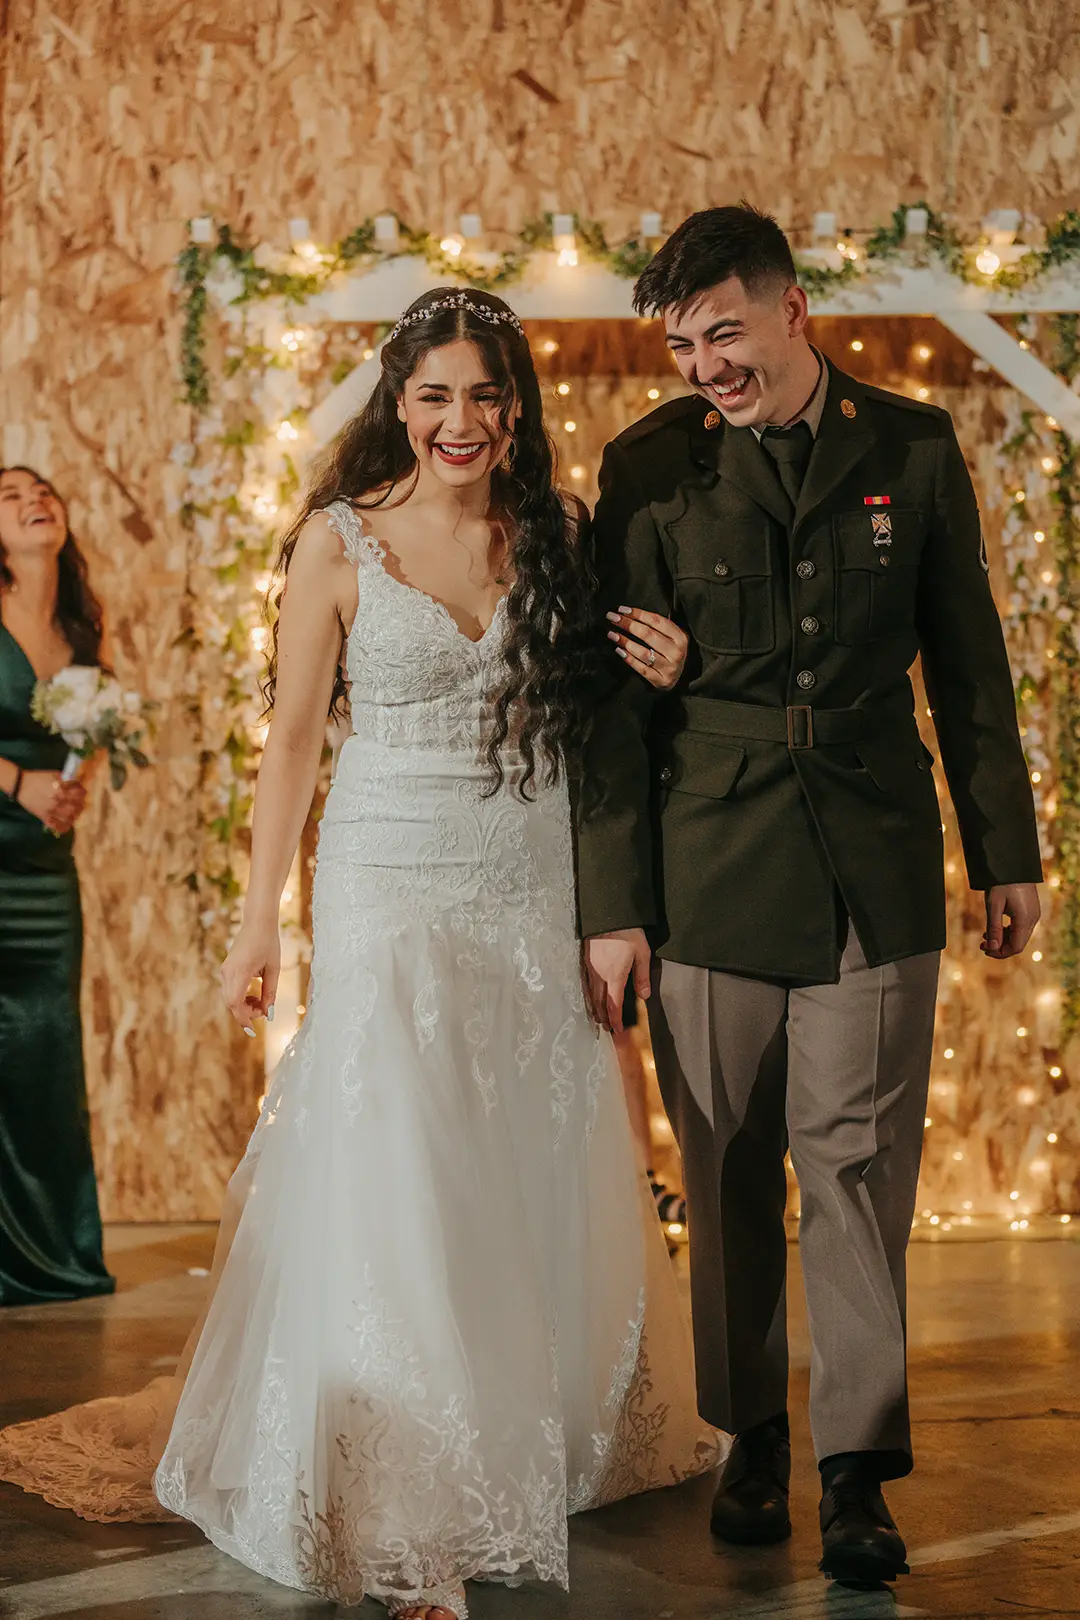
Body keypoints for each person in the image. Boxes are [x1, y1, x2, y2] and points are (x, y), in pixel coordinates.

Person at [0, 291, 719, 1619]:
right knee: (404, 1164)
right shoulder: (336, 542)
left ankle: (524, 1429)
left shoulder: (558, 536)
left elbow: (597, 719)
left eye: (486, 394)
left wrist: (664, 681)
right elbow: (290, 744)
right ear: (400, 402)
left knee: (519, 1150)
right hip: (388, 879)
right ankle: (408, 1505)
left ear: (516, 407)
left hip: (529, 874)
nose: (462, 420)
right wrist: (257, 920)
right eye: (435, 394)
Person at [575, 206, 1043, 1589]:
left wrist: (1005, 852)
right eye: (682, 344)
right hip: (709, 865)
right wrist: (614, 907)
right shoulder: (648, 466)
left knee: (856, 1168)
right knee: (726, 1166)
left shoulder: (911, 447)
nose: (706, 365)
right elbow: (610, 711)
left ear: (792, 309)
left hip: (870, 863)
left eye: (724, 331)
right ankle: (749, 1436)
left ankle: (856, 1471)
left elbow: (968, 663)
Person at [0, 466, 114, 1307]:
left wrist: (73, 787)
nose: (33, 501)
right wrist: (18, 784)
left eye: (42, 492)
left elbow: (96, 729)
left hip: (46, 874)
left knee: (45, 1059)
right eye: (9, 496)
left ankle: (53, 1256)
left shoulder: (80, 623)